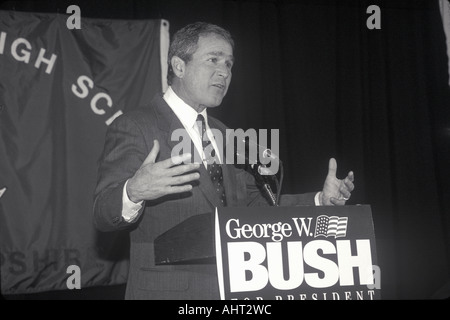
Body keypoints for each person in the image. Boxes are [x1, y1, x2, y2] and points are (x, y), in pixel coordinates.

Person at [93, 22, 355, 300]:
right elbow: (102, 213)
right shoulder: (136, 125)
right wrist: (133, 191)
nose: (224, 72)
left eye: (229, 64)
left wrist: (319, 201)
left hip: (234, 293)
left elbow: (255, 209)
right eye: (213, 60)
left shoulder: (227, 135)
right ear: (179, 66)